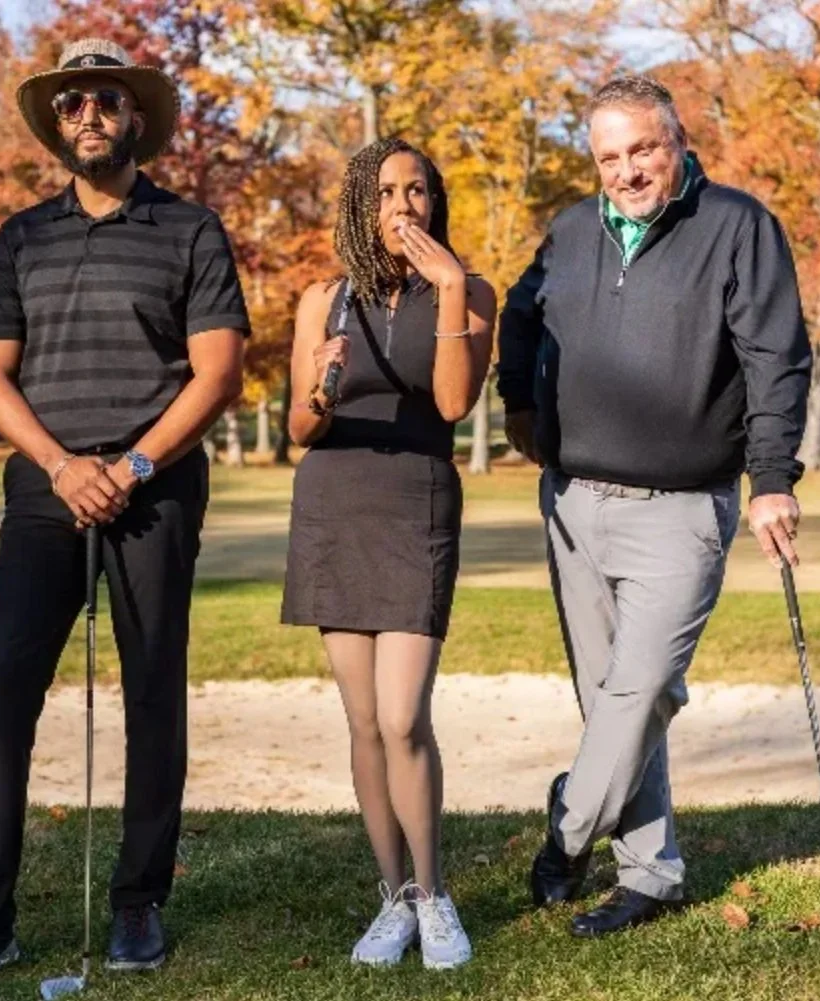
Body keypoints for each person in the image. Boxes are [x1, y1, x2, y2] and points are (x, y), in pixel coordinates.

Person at [0, 38, 250, 991]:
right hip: (45, 492)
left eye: (106, 100)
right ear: (58, 122)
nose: (89, 113)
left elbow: (219, 371)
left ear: (134, 119)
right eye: (73, 102)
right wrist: (60, 466)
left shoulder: (193, 228)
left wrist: (128, 464)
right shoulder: (21, 237)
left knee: (154, 696)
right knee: (4, 701)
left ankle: (136, 903)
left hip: (153, 491)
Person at [496, 75, 812, 938]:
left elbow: (775, 359)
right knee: (608, 701)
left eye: (643, 148)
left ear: (677, 140)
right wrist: (519, 405)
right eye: (610, 156)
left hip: (682, 507)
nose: (628, 170)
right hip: (572, 503)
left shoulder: (738, 225)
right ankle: (649, 873)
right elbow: (519, 318)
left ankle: (568, 829)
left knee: (638, 695)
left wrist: (773, 477)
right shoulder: (567, 231)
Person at [281, 138, 496, 969]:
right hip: (334, 507)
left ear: (435, 204)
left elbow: (451, 401)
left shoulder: (470, 292)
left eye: (417, 191)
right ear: (360, 209)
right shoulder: (321, 300)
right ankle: (394, 895)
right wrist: (318, 383)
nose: (403, 206)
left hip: (416, 504)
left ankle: (435, 894)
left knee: (406, 716)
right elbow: (299, 431)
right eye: (386, 193)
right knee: (365, 722)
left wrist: (445, 286)